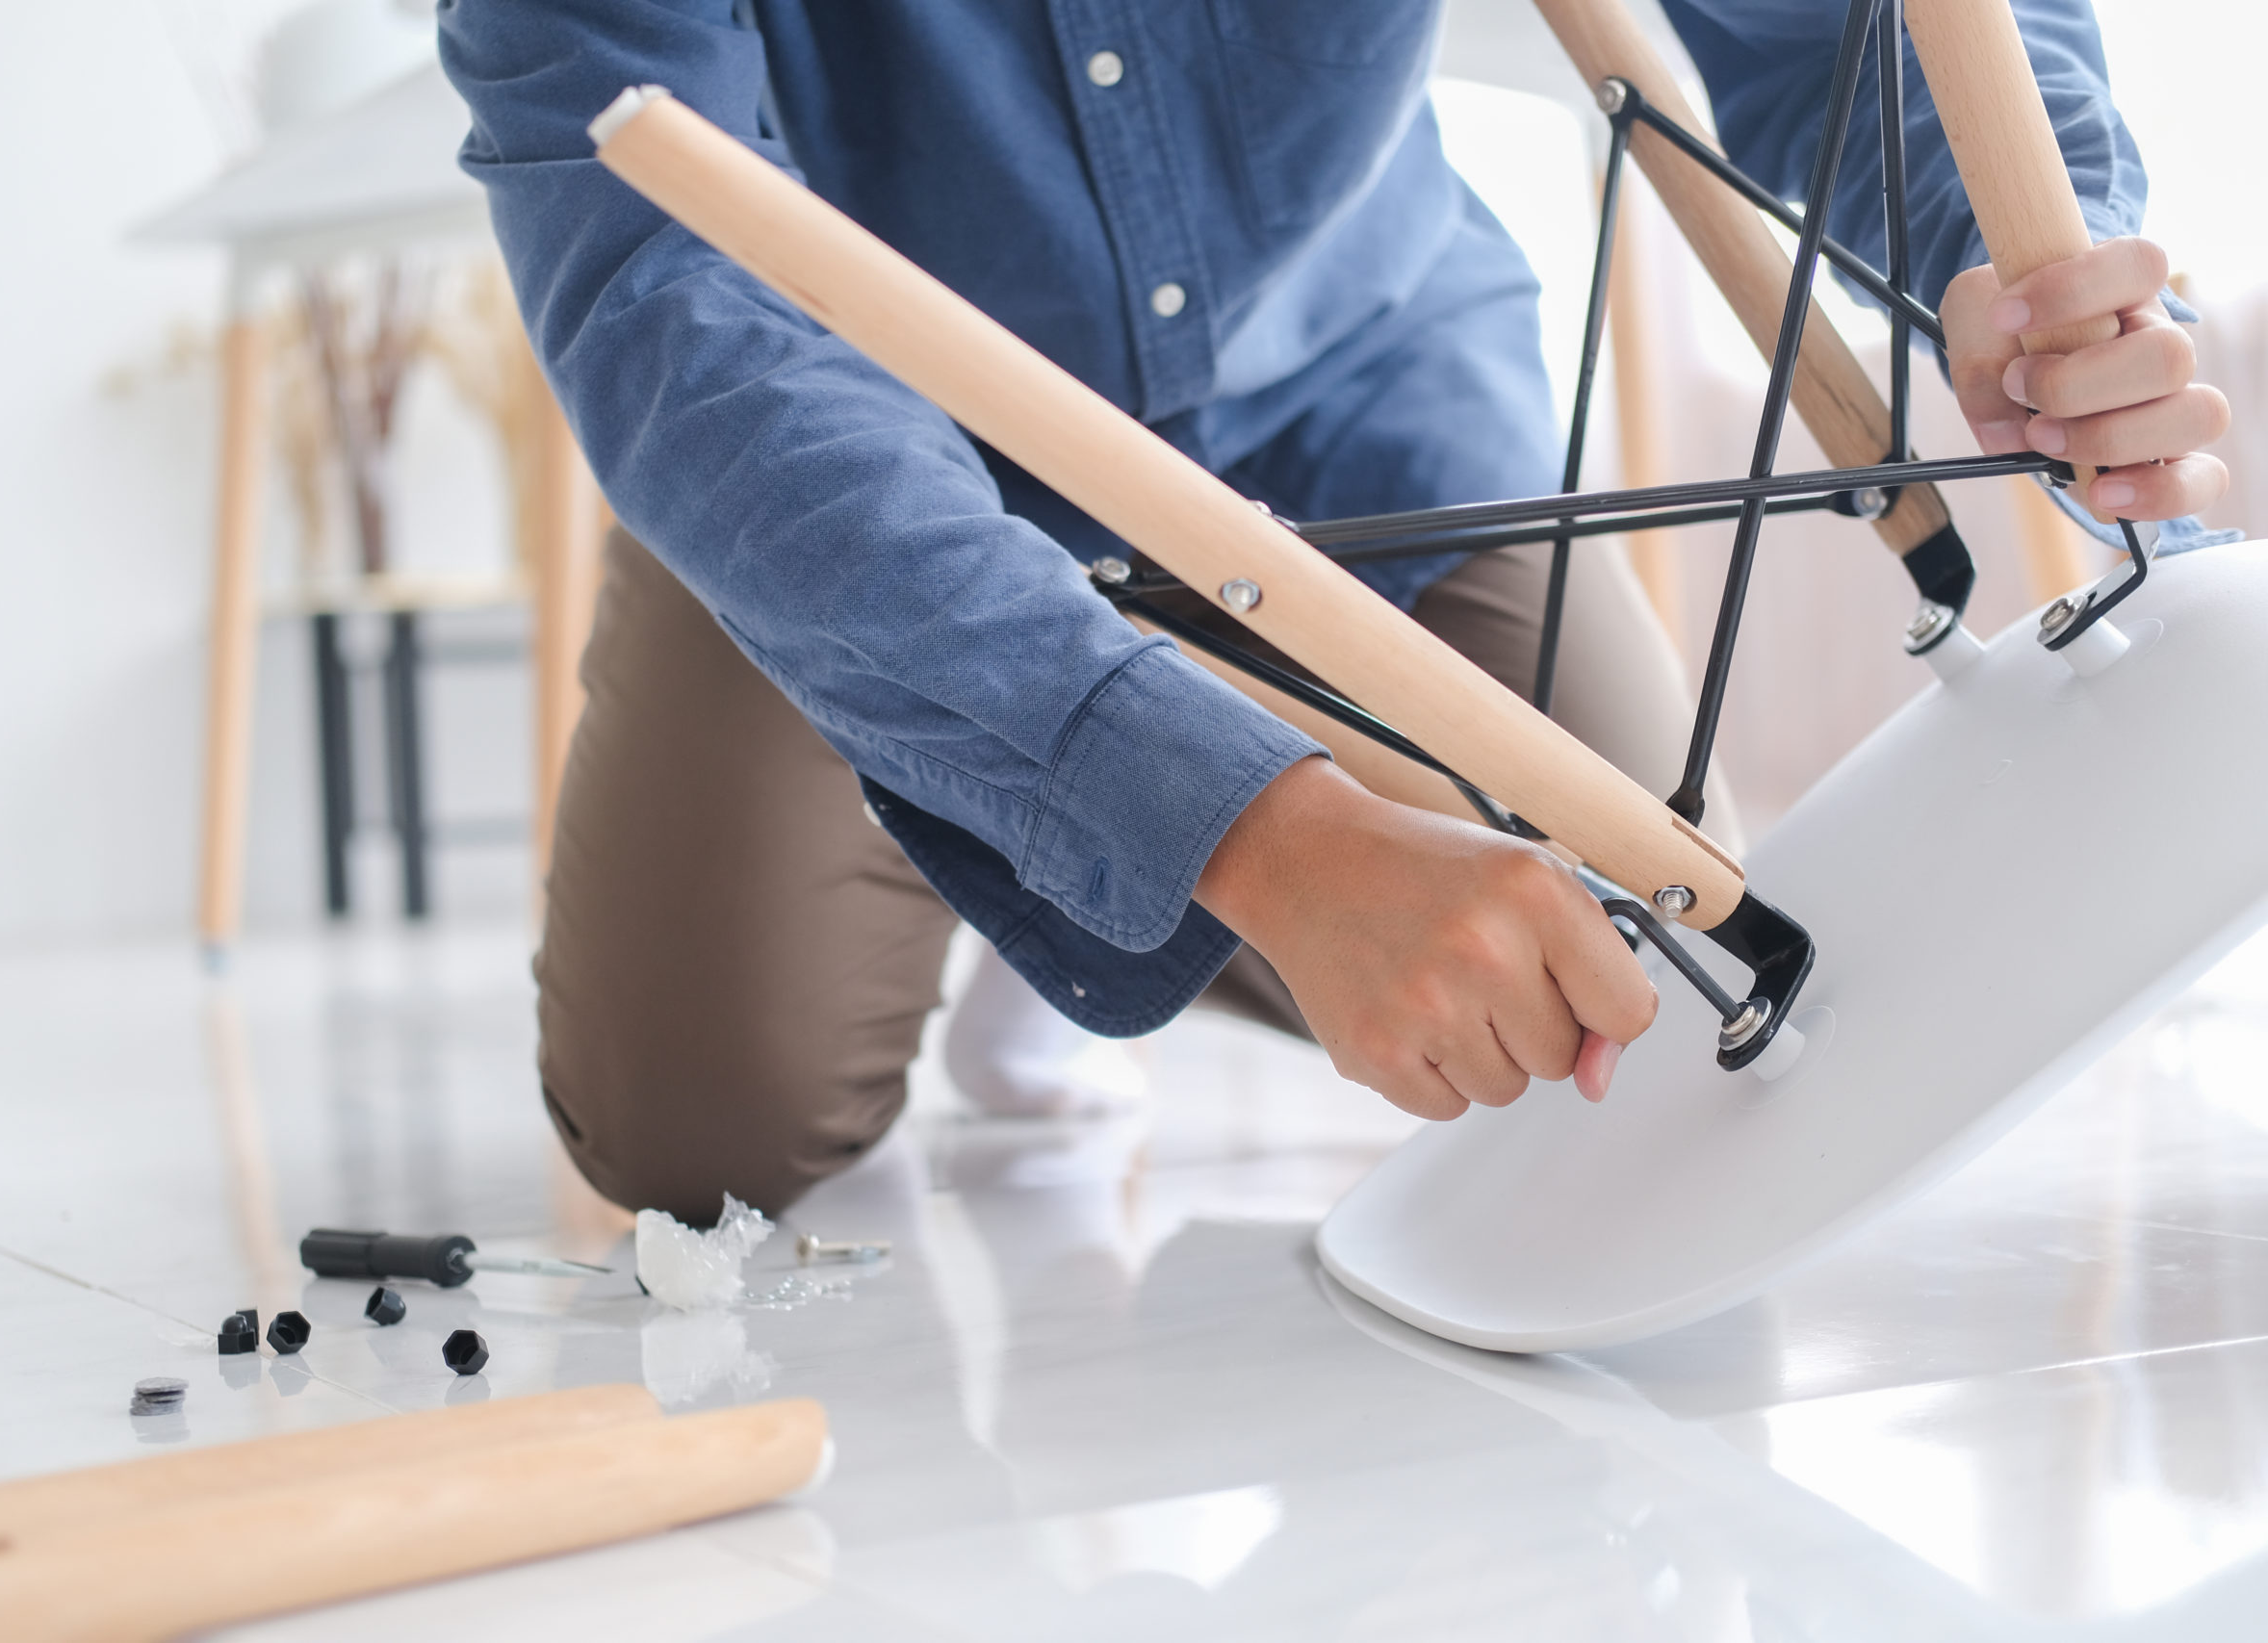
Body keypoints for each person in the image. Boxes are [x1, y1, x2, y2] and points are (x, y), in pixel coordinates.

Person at [436, 1, 2230, 1220]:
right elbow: (673, 296)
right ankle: (1070, 815)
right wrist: (1264, 841)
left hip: (1352, 406)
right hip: (862, 461)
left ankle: (1084, 880)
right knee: (697, 1128)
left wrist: (2016, 249)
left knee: (1653, 1014)